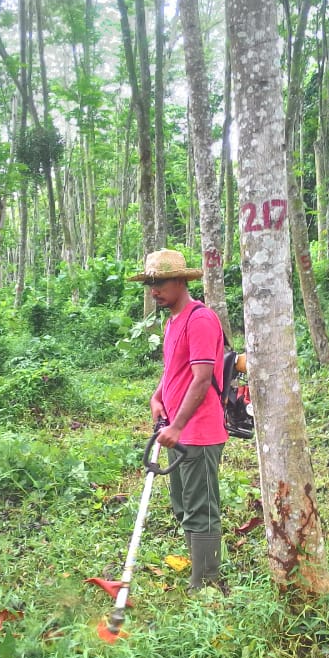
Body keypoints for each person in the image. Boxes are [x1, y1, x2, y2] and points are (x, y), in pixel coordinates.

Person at [129, 249, 227, 591]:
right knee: (183, 504)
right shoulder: (173, 321)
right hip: (177, 429)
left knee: (201, 507)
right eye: (150, 284)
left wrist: (178, 425)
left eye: (160, 283)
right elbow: (175, 370)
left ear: (181, 281)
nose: (154, 290)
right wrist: (158, 395)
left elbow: (201, 378)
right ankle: (200, 573)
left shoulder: (200, 319)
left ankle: (207, 583)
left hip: (197, 430)